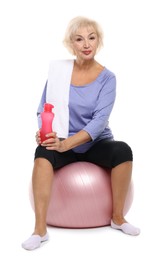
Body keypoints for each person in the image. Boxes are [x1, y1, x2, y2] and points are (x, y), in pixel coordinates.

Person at [22, 16, 140, 250]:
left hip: (94, 143)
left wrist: (67, 145)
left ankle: (117, 218)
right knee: (41, 153)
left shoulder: (108, 78)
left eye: (91, 38)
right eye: (79, 39)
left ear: (98, 42)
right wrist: (45, 133)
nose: (86, 44)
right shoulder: (59, 73)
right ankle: (39, 230)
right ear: (71, 44)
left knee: (123, 151)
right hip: (63, 140)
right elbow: (43, 109)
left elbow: (99, 122)